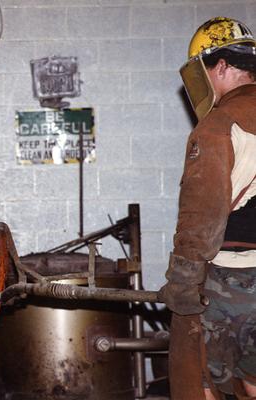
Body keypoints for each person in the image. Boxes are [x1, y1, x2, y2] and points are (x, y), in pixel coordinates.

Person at [158, 17, 256, 400]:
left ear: (221, 67)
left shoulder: (218, 125)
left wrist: (183, 281)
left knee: (196, 379)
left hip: (232, 282)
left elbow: (204, 213)